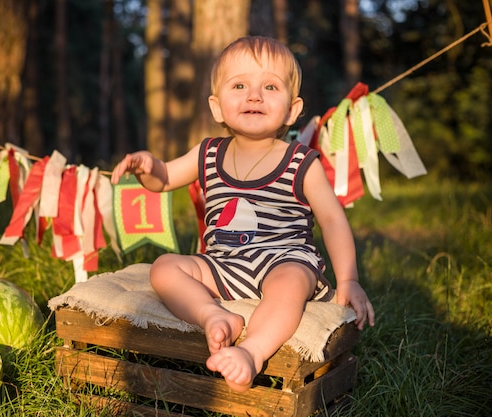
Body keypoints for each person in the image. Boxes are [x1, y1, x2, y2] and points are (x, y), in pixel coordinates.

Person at [111, 36, 375, 392]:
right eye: (239, 85)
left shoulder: (300, 162)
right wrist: (147, 166)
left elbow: (332, 220)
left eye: (270, 86)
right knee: (165, 268)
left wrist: (349, 279)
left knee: (290, 284)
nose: (254, 95)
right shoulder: (207, 153)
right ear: (217, 107)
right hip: (223, 263)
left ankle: (252, 352)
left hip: (284, 258)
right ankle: (213, 315)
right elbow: (165, 179)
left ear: (293, 110)